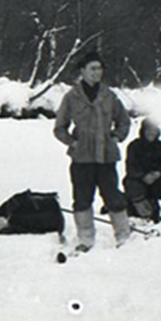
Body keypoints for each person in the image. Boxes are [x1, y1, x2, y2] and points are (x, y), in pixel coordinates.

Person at [53, 51, 132, 250]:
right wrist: (72, 143)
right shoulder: (71, 97)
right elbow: (59, 127)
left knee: (113, 196)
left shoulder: (109, 96)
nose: (97, 73)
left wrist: (115, 137)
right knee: (82, 198)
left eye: (99, 69)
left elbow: (124, 121)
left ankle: (123, 236)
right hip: (81, 158)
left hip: (106, 156)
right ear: (83, 71)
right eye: (92, 69)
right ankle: (85, 239)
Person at [124, 118, 161, 222]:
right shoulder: (134, 146)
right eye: (149, 130)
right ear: (143, 131)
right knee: (133, 187)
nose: (151, 133)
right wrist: (143, 176)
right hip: (138, 179)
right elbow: (130, 167)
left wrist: (158, 173)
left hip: (157, 179)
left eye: (154, 130)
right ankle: (145, 215)